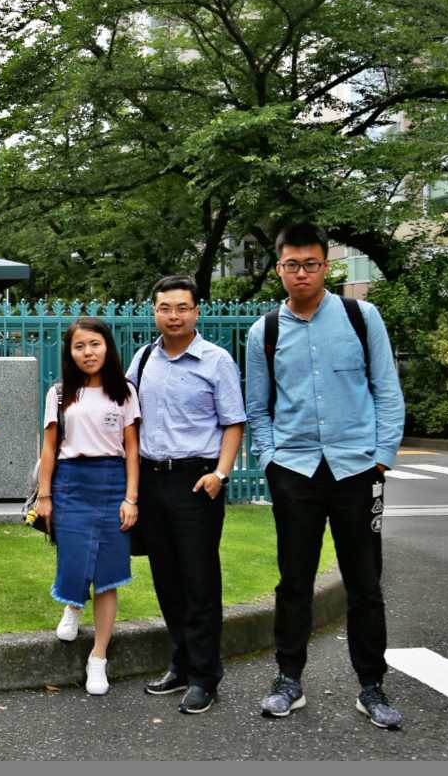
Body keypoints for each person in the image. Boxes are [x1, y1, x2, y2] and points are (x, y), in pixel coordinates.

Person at [246, 222, 405, 729]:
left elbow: (386, 389)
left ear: (325, 266)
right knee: (294, 580)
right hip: (294, 470)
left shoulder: (361, 317)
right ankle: (287, 680)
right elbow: (258, 407)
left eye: (311, 264)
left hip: (357, 468)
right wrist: (270, 460)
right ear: (279, 269)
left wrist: (382, 457)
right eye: (292, 265)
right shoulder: (265, 331)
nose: (302, 274)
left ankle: (371, 685)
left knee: (365, 583)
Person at [127, 275, 246, 715]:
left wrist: (220, 474)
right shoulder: (143, 359)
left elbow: (234, 422)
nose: (173, 316)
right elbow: (126, 415)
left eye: (182, 308)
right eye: (165, 308)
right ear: (154, 312)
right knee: (166, 578)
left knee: (199, 580)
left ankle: (205, 675)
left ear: (197, 311)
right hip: (153, 479)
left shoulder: (216, 361)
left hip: (197, 481)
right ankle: (180, 663)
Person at [32, 316, 140, 696]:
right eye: (79, 346)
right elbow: (49, 448)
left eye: (94, 344)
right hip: (70, 484)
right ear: (70, 353)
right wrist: (45, 496)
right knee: (75, 559)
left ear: (107, 347)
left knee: (108, 574)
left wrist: (131, 498)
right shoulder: (60, 394)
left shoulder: (124, 391)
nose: (87, 352)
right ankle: (73, 606)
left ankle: (98, 657)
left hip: (112, 483)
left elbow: (132, 449)